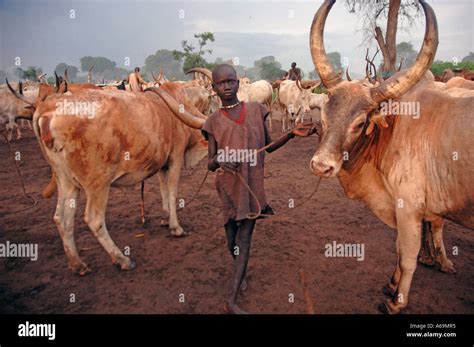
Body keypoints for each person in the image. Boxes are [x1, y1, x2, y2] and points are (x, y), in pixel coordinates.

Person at [201, 64, 316, 314]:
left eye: (232, 81)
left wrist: (291, 134)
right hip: (228, 189)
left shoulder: (256, 110)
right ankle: (240, 272)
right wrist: (220, 159)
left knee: (244, 238)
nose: (228, 86)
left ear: (238, 83)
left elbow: (269, 146)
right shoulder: (212, 122)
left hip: (253, 188)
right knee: (231, 239)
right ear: (214, 89)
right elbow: (210, 163)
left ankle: (231, 300)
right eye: (222, 83)